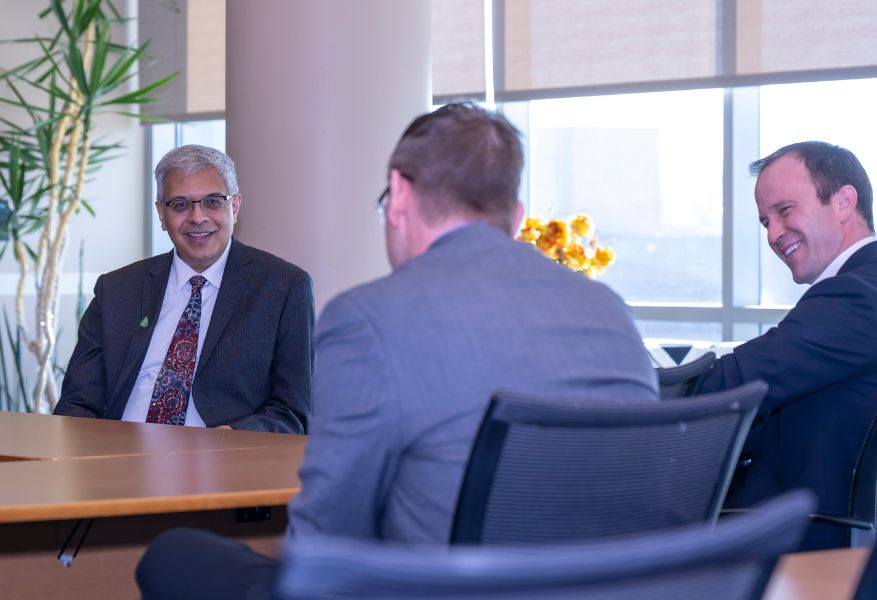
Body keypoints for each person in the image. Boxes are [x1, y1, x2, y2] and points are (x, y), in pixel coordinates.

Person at [136, 103, 658, 598]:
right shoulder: (611, 311)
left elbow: (327, 535)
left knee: (173, 555)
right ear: (517, 215)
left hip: (428, 588)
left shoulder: (369, 317)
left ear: (400, 196)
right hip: (601, 587)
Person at [697, 141, 877, 549]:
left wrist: (625, 385)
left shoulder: (854, 298)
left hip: (798, 541)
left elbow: (730, 385)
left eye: (785, 210)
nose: (773, 234)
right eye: (764, 221)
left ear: (843, 201)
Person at [54, 145, 314, 433]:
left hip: (221, 462)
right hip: (119, 456)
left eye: (213, 202)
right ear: (161, 215)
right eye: (180, 205)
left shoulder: (283, 287)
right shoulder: (116, 289)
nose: (197, 217)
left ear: (235, 206)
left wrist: (234, 439)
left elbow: (292, 412)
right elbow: (76, 404)